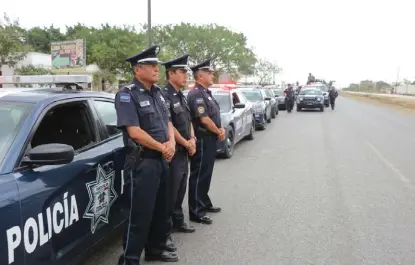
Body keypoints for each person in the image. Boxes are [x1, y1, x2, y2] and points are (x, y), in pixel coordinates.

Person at [115, 45, 179, 265]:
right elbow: (134, 132)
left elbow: (168, 121)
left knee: (162, 211)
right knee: (139, 216)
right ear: (137, 70)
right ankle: (130, 259)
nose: (156, 69)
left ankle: (155, 250)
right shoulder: (127, 95)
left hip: (163, 160)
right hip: (143, 164)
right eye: (151, 66)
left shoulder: (159, 94)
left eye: (156, 65)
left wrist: (171, 142)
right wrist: (163, 148)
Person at [161, 54, 197, 237]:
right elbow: (170, 126)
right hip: (174, 152)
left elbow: (188, 120)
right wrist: (186, 143)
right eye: (182, 72)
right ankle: (165, 230)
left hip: (184, 151)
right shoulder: (164, 95)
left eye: (186, 72)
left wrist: (192, 139)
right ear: (171, 74)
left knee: (181, 188)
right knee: (171, 192)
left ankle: (178, 222)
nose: (185, 76)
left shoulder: (181, 96)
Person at [187, 59, 225, 224]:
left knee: (206, 174)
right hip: (203, 139)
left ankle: (204, 202)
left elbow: (214, 115)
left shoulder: (206, 93)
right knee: (199, 175)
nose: (212, 75)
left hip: (211, 138)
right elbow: (204, 119)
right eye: (209, 73)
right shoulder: (196, 94)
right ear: (200, 76)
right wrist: (218, 131)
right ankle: (196, 211)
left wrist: (220, 129)